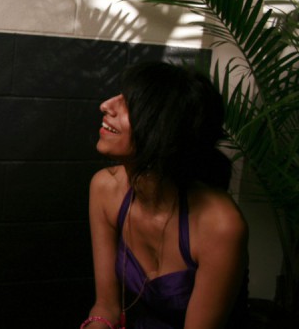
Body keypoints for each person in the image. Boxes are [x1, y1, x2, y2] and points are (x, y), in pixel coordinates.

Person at [83, 61, 249, 329]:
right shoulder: (105, 188)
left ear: (162, 129)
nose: (106, 105)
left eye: (129, 104)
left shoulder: (220, 225)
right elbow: (107, 306)